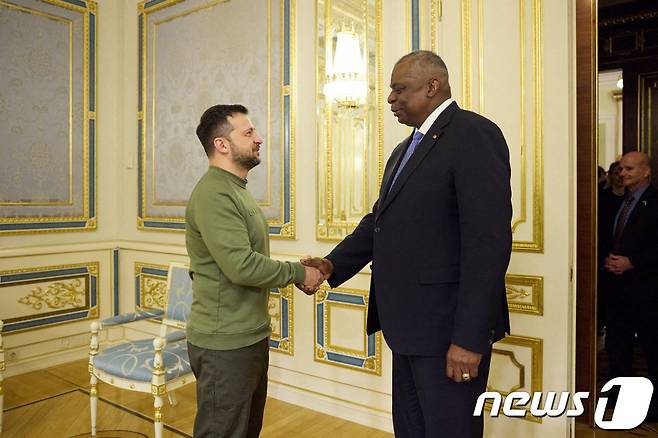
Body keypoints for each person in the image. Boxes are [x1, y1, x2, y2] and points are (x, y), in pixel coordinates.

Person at [300, 51, 512, 437]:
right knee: (411, 430)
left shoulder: (473, 134)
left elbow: (489, 244)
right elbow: (379, 222)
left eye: (400, 90)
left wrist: (467, 339)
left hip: (449, 333)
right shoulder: (403, 150)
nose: (390, 100)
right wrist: (332, 264)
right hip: (408, 327)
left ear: (433, 86)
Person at [185, 104, 323, 437]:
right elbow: (242, 266)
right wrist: (300, 273)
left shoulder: (236, 190)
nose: (259, 138)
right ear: (222, 144)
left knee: (246, 430)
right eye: (248, 133)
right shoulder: (214, 193)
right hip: (224, 343)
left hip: (247, 336)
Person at [603, 151, 658, 423]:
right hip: (616, 290)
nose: (623, 174)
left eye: (629, 169)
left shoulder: (656, 202)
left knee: (652, 347)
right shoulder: (616, 202)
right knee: (617, 345)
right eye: (621, 169)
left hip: (647, 291)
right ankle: (618, 396)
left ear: (646, 172)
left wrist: (632, 262)